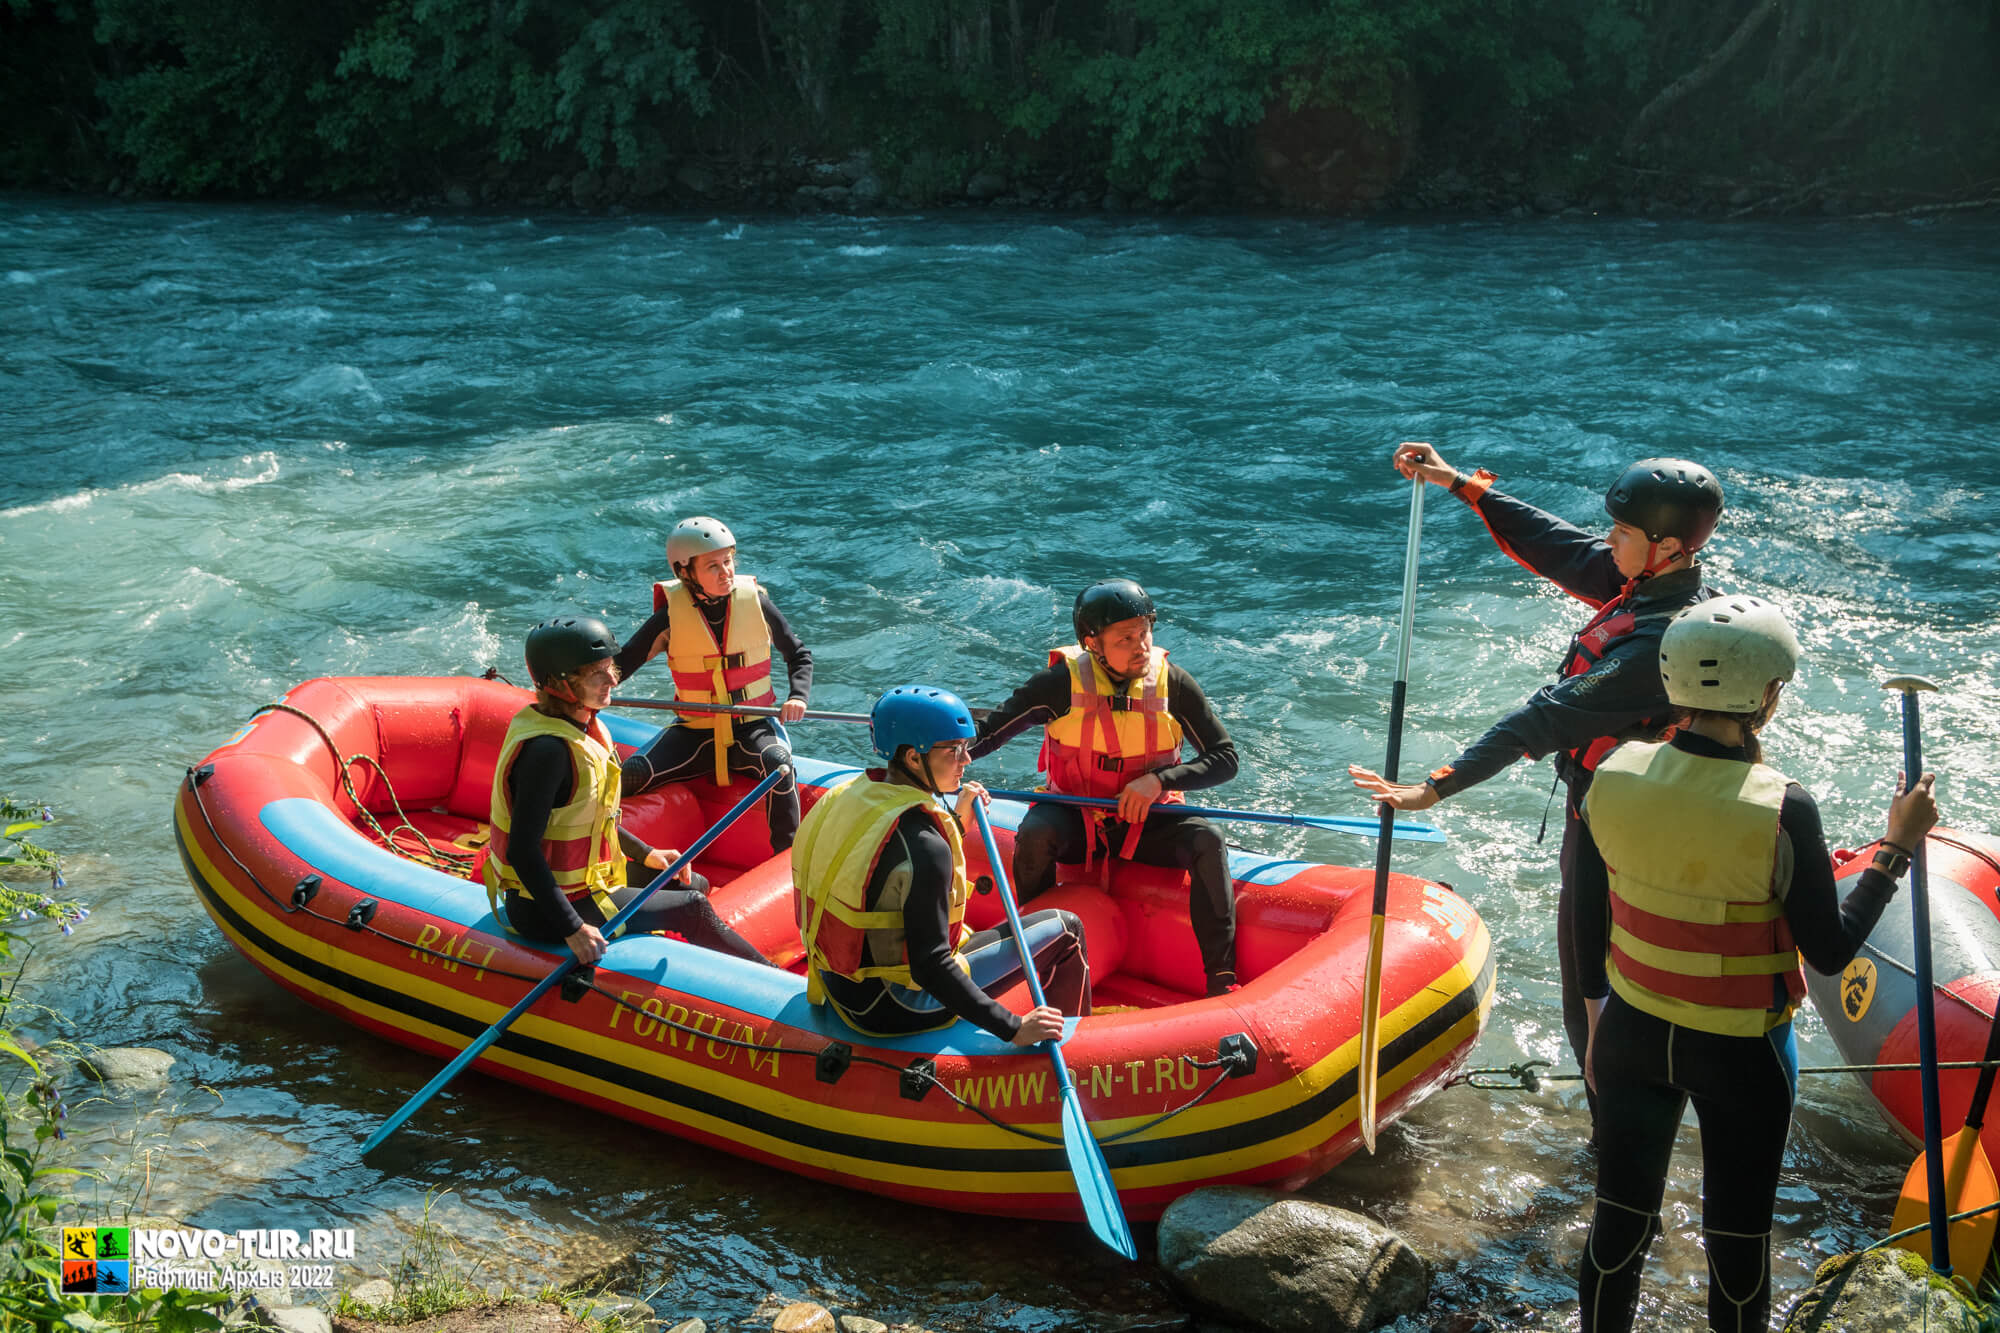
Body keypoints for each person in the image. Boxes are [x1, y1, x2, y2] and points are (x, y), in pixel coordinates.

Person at [1572, 597, 1938, 1332]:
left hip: (1630, 1036)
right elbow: (1830, 951)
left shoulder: (1610, 772)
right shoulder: (1782, 806)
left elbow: (1584, 915)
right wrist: (1896, 848)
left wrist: (1596, 1027)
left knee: (1618, 1230)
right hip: (1742, 1053)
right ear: (1767, 694)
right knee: (1737, 1249)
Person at [1351, 445, 1723, 1095]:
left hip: (1620, 830)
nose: (1608, 540)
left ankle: (1613, 1124)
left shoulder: (1656, 643)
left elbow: (1543, 718)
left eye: (1624, 532)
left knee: (1590, 978)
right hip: (1618, 811)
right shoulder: (1658, 585)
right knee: (1595, 976)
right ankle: (1612, 1113)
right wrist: (1462, 484)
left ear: (1665, 546)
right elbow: (1559, 546)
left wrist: (1434, 786)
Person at [971, 579, 1242, 997]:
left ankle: (1221, 981)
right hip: (1075, 817)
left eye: (1145, 632)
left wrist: (1159, 781)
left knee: (1208, 838)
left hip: (1148, 820)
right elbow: (989, 734)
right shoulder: (1059, 684)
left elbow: (1225, 758)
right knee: (1035, 833)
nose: (1142, 647)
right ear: (1092, 643)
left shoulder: (1175, 684)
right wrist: (934, 756)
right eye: (1126, 638)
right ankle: (1038, 951)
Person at [794, 685, 1091, 1043]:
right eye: (954, 750)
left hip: (840, 987)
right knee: (1066, 928)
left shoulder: (849, 795)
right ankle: (1080, 1043)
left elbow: (887, 860)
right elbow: (931, 966)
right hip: (896, 1007)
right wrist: (1013, 1027)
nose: (966, 760)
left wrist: (959, 816)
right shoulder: (926, 846)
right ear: (913, 757)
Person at [484, 615, 770, 967]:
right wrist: (573, 929)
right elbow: (523, 851)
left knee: (693, 884)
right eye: (596, 674)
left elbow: (585, 821)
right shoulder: (548, 752)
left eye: (610, 668)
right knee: (691, 907)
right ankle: (773, 982)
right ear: (559, 684)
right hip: (543, 906)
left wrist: (647, 853)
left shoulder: (583, 726)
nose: (612, 681)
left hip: (587, 880)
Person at [614, 516, 811, 852]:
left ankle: (788, 860)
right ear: (685, 572)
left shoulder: (757, 603)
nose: (726, 572)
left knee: (779, 765)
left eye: (728, 561)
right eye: (712, 566)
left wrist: (798, 696)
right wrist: (586, 691)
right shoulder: (669, 618)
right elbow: (622, 664)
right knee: (631, 774)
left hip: (753, 726)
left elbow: (799, 655)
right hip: (695, 731)